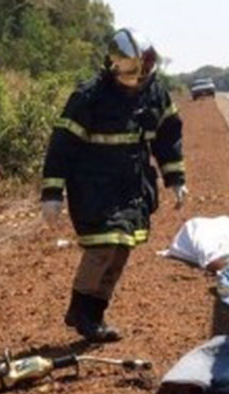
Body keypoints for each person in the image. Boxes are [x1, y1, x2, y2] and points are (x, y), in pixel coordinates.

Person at [40, 28, 187, 343]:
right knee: (103, 246)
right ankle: (82, 311)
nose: (139, 78)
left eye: (144, 71)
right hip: (94, 186)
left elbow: (167, 135)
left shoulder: (155, 92)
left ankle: (92, 313)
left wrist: (175, 178)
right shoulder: (89, 96)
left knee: (121, 248)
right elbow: (62, 145)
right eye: (134, 71)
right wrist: (52, 193)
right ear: (115, 65)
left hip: (132, 187)